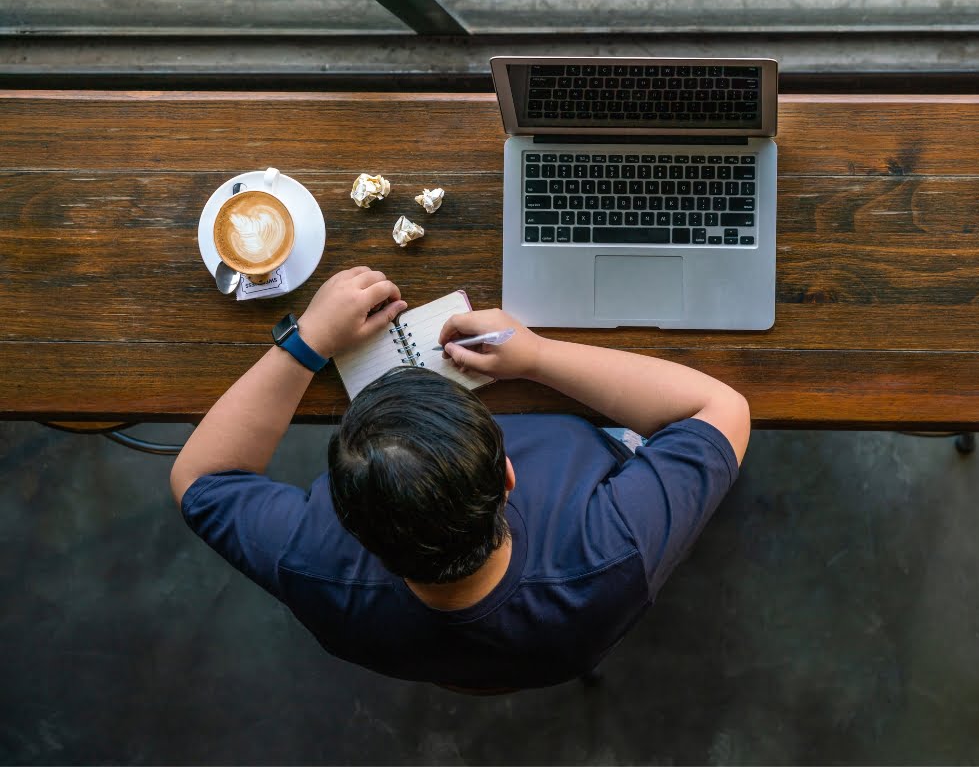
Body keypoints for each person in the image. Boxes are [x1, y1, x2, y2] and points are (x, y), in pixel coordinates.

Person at [170, 266, 749, 691]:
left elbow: (201, 478)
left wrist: (308, 342)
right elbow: (722, 409)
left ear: (348, 520)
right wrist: (538, 357)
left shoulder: (313, 565)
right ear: (508, 477)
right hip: (577, 594)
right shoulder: (612, 553)